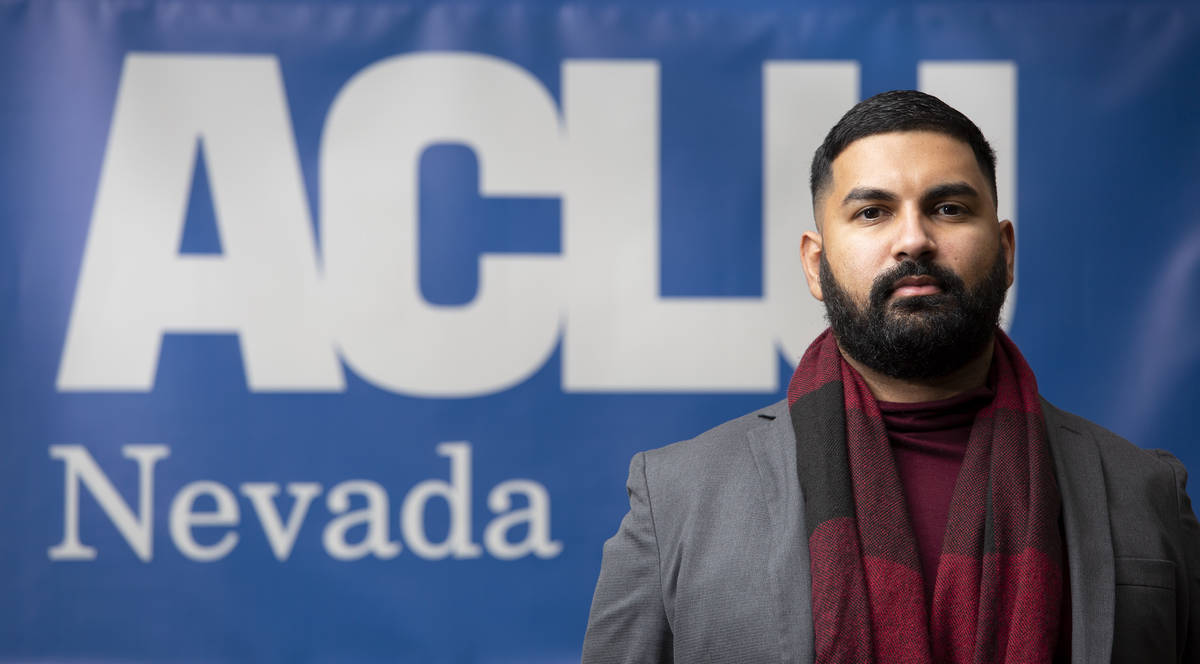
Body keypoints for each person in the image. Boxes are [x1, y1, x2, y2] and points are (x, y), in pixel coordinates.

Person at [581, 90, 1200, 663]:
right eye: (873, 212)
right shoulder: (679, 498)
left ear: (1006, 251)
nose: (914, 240)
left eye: (949, 208)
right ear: (817, 265)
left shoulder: (1146, 493)